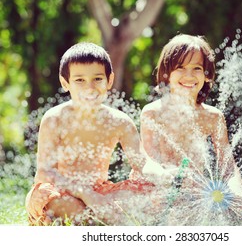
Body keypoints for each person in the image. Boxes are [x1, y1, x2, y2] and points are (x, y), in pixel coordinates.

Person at [25, 42, 169, 226]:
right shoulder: (55, 119)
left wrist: (162, 175)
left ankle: (99, 219)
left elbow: (141, 162)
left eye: (97, 79)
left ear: (109, 80)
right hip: (61, 191)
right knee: (59, 202)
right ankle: (100, 220)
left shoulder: (119, 121)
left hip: (100, 192)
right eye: (79, 80)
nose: (89, 87)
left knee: (148, 189)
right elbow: (45, 172)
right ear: (65, 83)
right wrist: (85, 194)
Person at [140, 34, 242, 224]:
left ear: (206, 75)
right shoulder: (153, 113)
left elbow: (228, 166)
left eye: (196, 68)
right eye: (180, 68)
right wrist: (162, 175)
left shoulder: (213, 117)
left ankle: (221, 216)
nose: (189, 75)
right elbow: (147, 161)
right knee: (176, 210)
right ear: (166, 73)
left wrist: (236, 193)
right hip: (165, 199)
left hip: (200, 198)